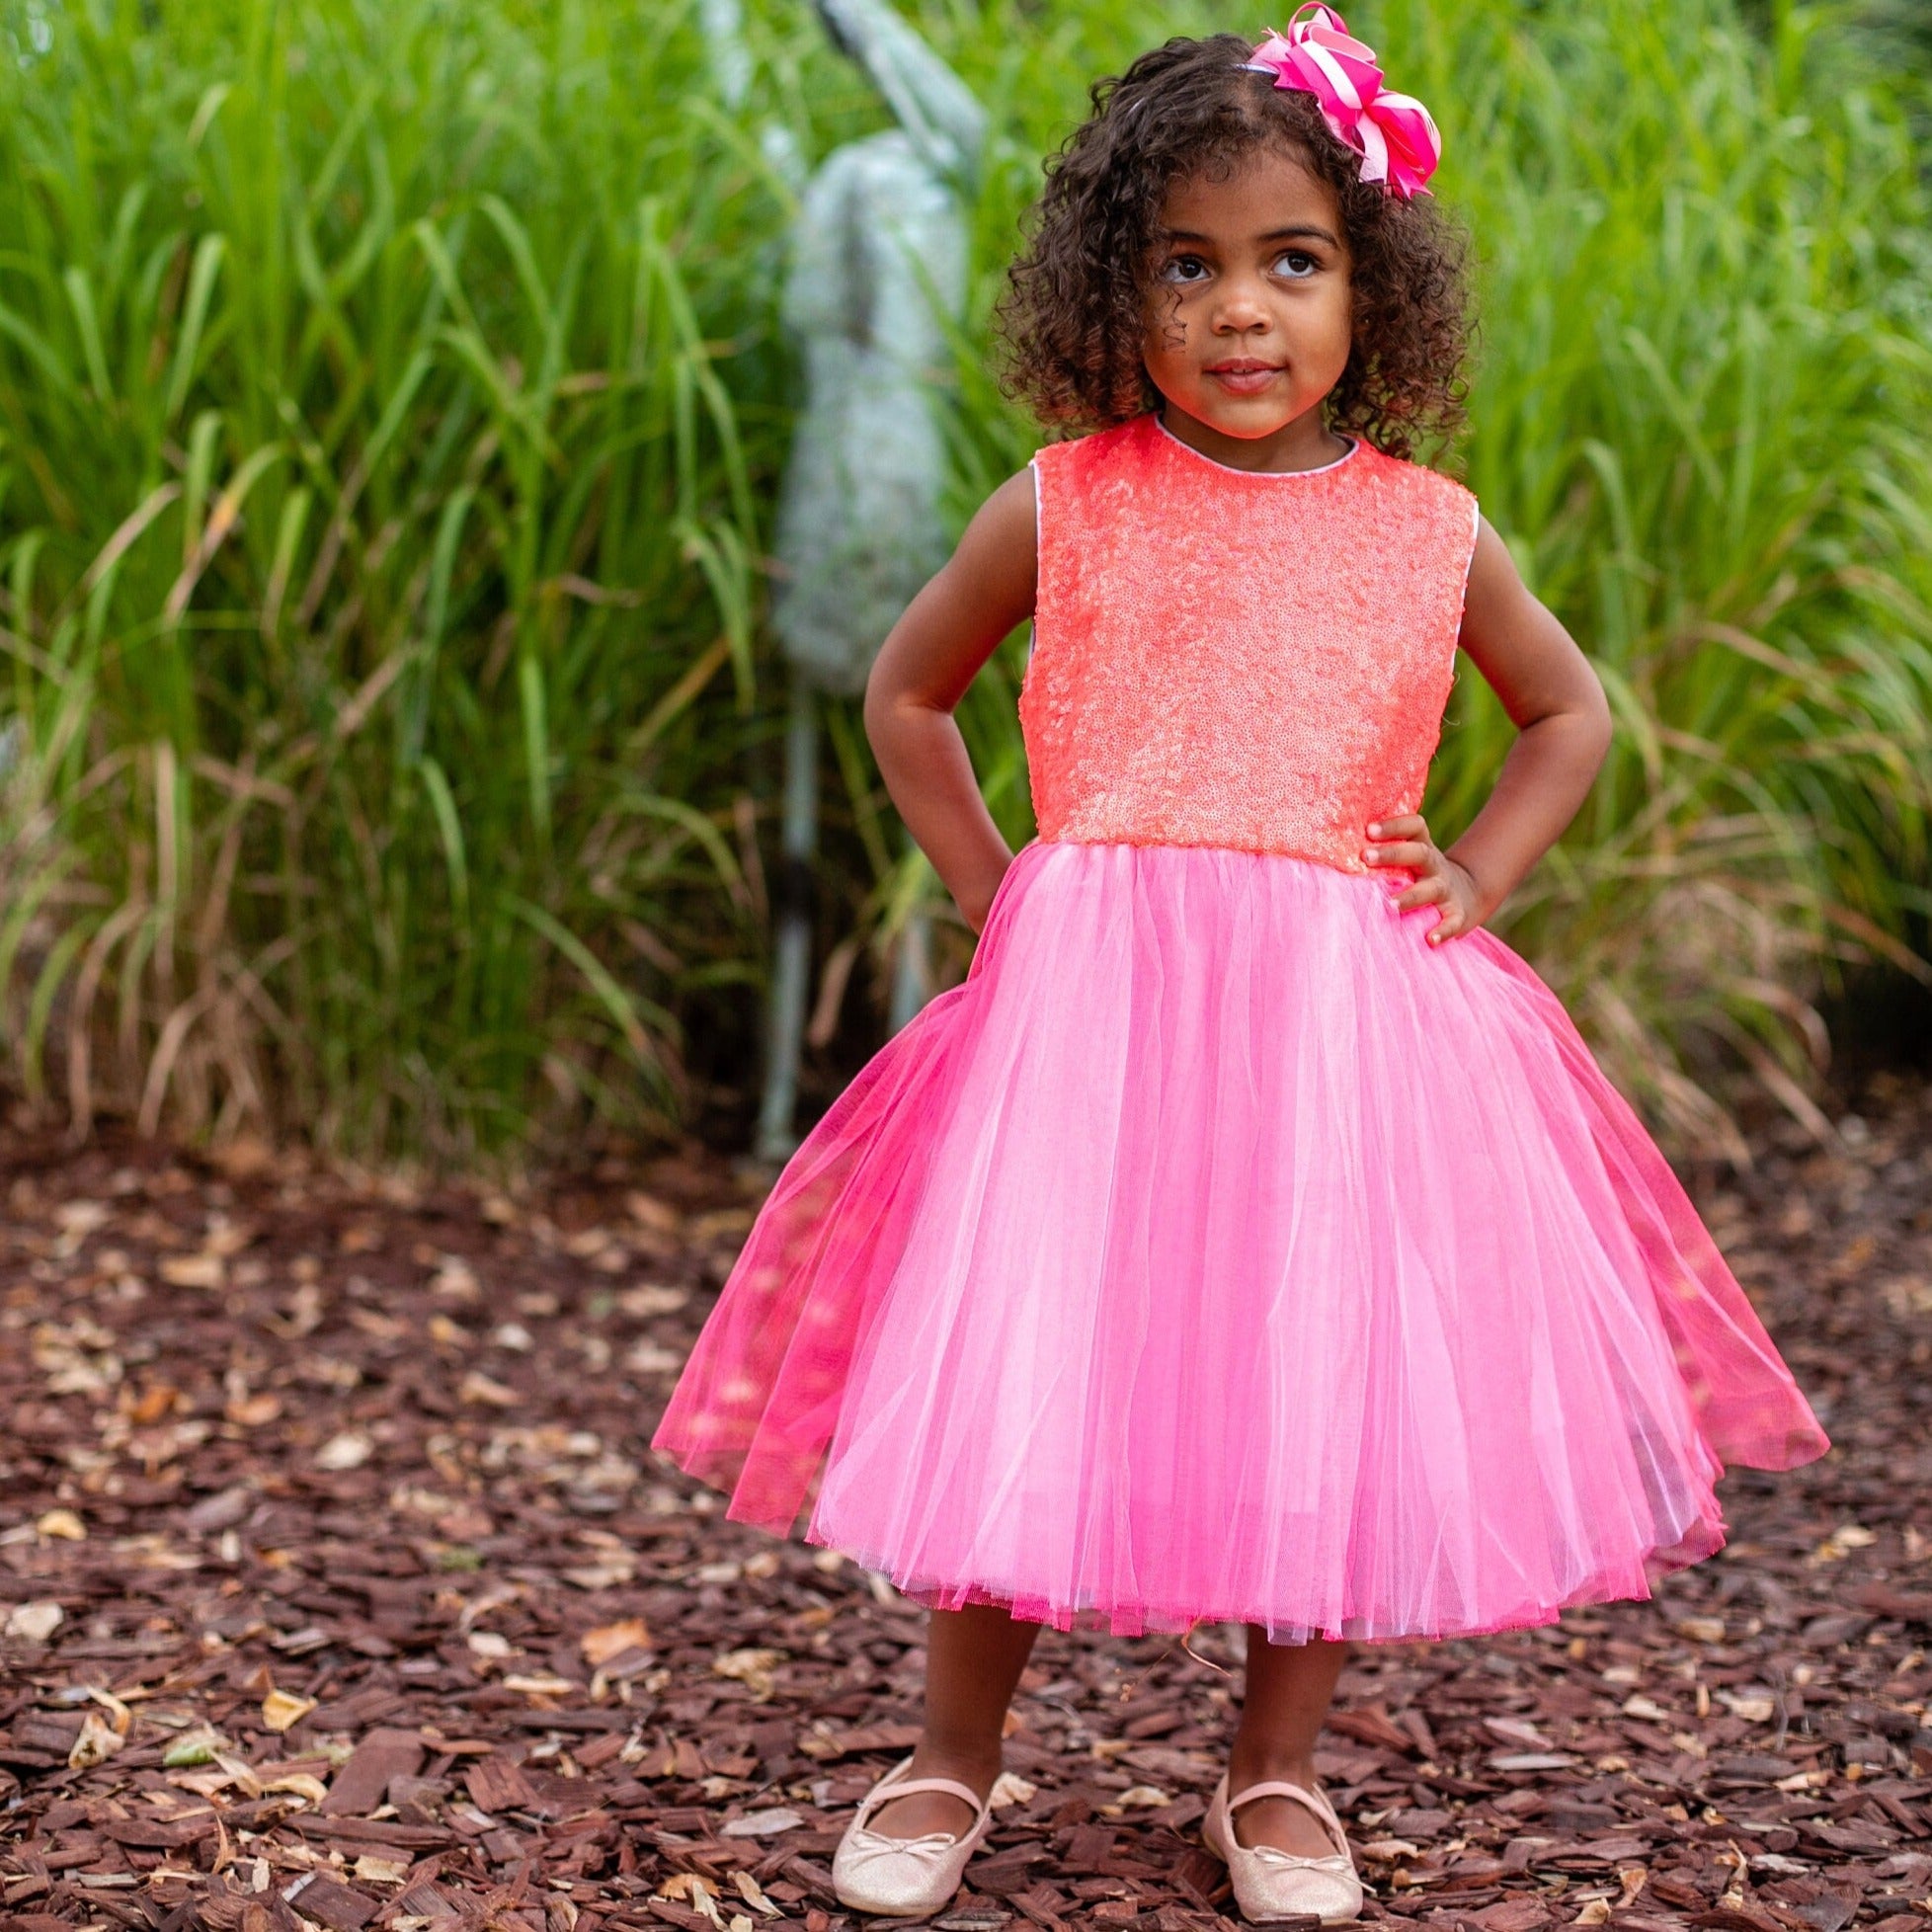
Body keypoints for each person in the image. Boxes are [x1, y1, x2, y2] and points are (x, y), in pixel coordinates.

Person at [652, 8, 1829, 1922]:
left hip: (1339, 1024)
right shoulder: (1068, 500)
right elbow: (908, 693)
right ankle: (954, 1758)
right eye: (1186, 267)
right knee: (1036, 1351)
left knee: (1319, 1369)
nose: (1240, 313)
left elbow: (1568, 715)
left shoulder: (1427, 534)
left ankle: (1271, 1778)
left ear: (1374, 285)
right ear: (1117, 293)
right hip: (1094, 1023)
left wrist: (1478, 874)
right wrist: (992, 887)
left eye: (1293, 261)